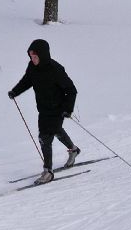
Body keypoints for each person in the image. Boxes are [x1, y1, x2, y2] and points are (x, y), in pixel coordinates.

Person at [7, 38, 81, 183]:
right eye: (31, 56)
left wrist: (68, 109)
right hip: (43, 108)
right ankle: (74, 150)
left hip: (58, 109)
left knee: (44, 137)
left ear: (43, 55)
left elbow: (72, 90)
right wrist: (15, 91)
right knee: (56, 130)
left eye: (35, 56)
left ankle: (48, 171)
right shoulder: (32, 67)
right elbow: (27, 80)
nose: (33, 59)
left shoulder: (56, 69)